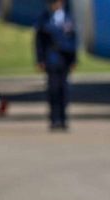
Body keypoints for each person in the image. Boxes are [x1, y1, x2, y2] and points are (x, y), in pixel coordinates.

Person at [35, 0, 77, 131]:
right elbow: (39, 42)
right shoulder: (45, 19)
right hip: (51, 58)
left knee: (64, 90)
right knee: (53, 90)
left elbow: (73, 40)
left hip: (65, 59)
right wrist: (40, 59)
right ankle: (54, 119)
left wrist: (73, 60)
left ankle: (63, 119)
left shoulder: (68, 18)